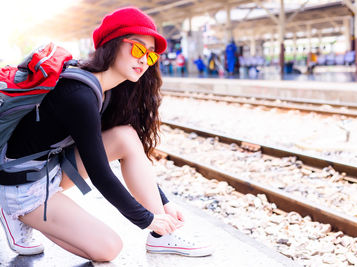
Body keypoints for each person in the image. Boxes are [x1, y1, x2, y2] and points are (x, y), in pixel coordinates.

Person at [0, 7, 213, 261]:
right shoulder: (78, 95)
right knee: (108, 248)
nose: (144, 60)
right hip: (22, 186)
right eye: (137, 49)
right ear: (112, 44)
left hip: (49, 170)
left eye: (151, 56)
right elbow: (100, 173)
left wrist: (162, 205)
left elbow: (119, 151)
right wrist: (147, 220)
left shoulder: (108, 90)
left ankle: (162, 238)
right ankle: (16, 214)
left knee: (125, 135)